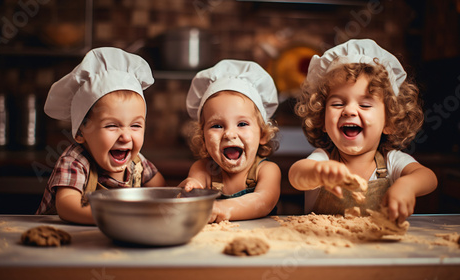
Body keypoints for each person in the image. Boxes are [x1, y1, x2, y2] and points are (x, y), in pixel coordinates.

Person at [288, 39, 437, 224]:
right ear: (322, 120)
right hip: (323, 250)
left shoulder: (392, 162)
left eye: (365, 104)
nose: (349, 111)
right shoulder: (322, 160)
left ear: (389, 122)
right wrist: (318, 172)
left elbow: (428, 177)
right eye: (337, 103)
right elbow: (296, 175)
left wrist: (407, 185)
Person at [36, 47, 166, 224]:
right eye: (112, 126)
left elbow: (163, 191)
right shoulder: (75, 161)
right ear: (81, 132)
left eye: (135, 125)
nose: (126, 137)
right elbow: (67, 206)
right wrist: (111, 217)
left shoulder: (138, 163)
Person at [179, 59, 281, 223]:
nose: (229, 134)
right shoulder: (204, 170)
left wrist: (222, 209)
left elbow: (264, 202)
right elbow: (192, 190)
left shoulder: (267, 170)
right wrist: (190, 188)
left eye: (242, 124)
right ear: (203, 138)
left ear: (262, 134)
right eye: (217, 126)